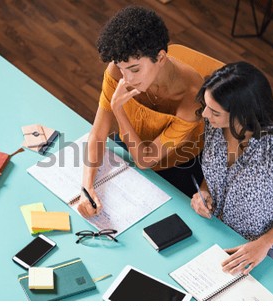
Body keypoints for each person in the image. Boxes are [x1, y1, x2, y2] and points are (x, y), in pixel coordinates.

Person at [191, 62, 273, 274]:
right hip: (220, 228)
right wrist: (203, 192)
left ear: (243, 113)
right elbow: (216, 174)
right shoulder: (216, 126)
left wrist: (262, 244)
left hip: (269, 246)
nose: (205, 114)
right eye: (207, 106)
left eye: (214, 111)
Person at [78, 6, 205, 217]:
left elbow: (145, 161)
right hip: (130, 144)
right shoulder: (118, 70)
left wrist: (118, 109)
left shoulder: (191, 98)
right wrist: (86, 187)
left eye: (135, 69)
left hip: (179, 163)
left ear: (161, 57)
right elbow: (98, 135)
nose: (126, 78)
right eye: (121, 68)